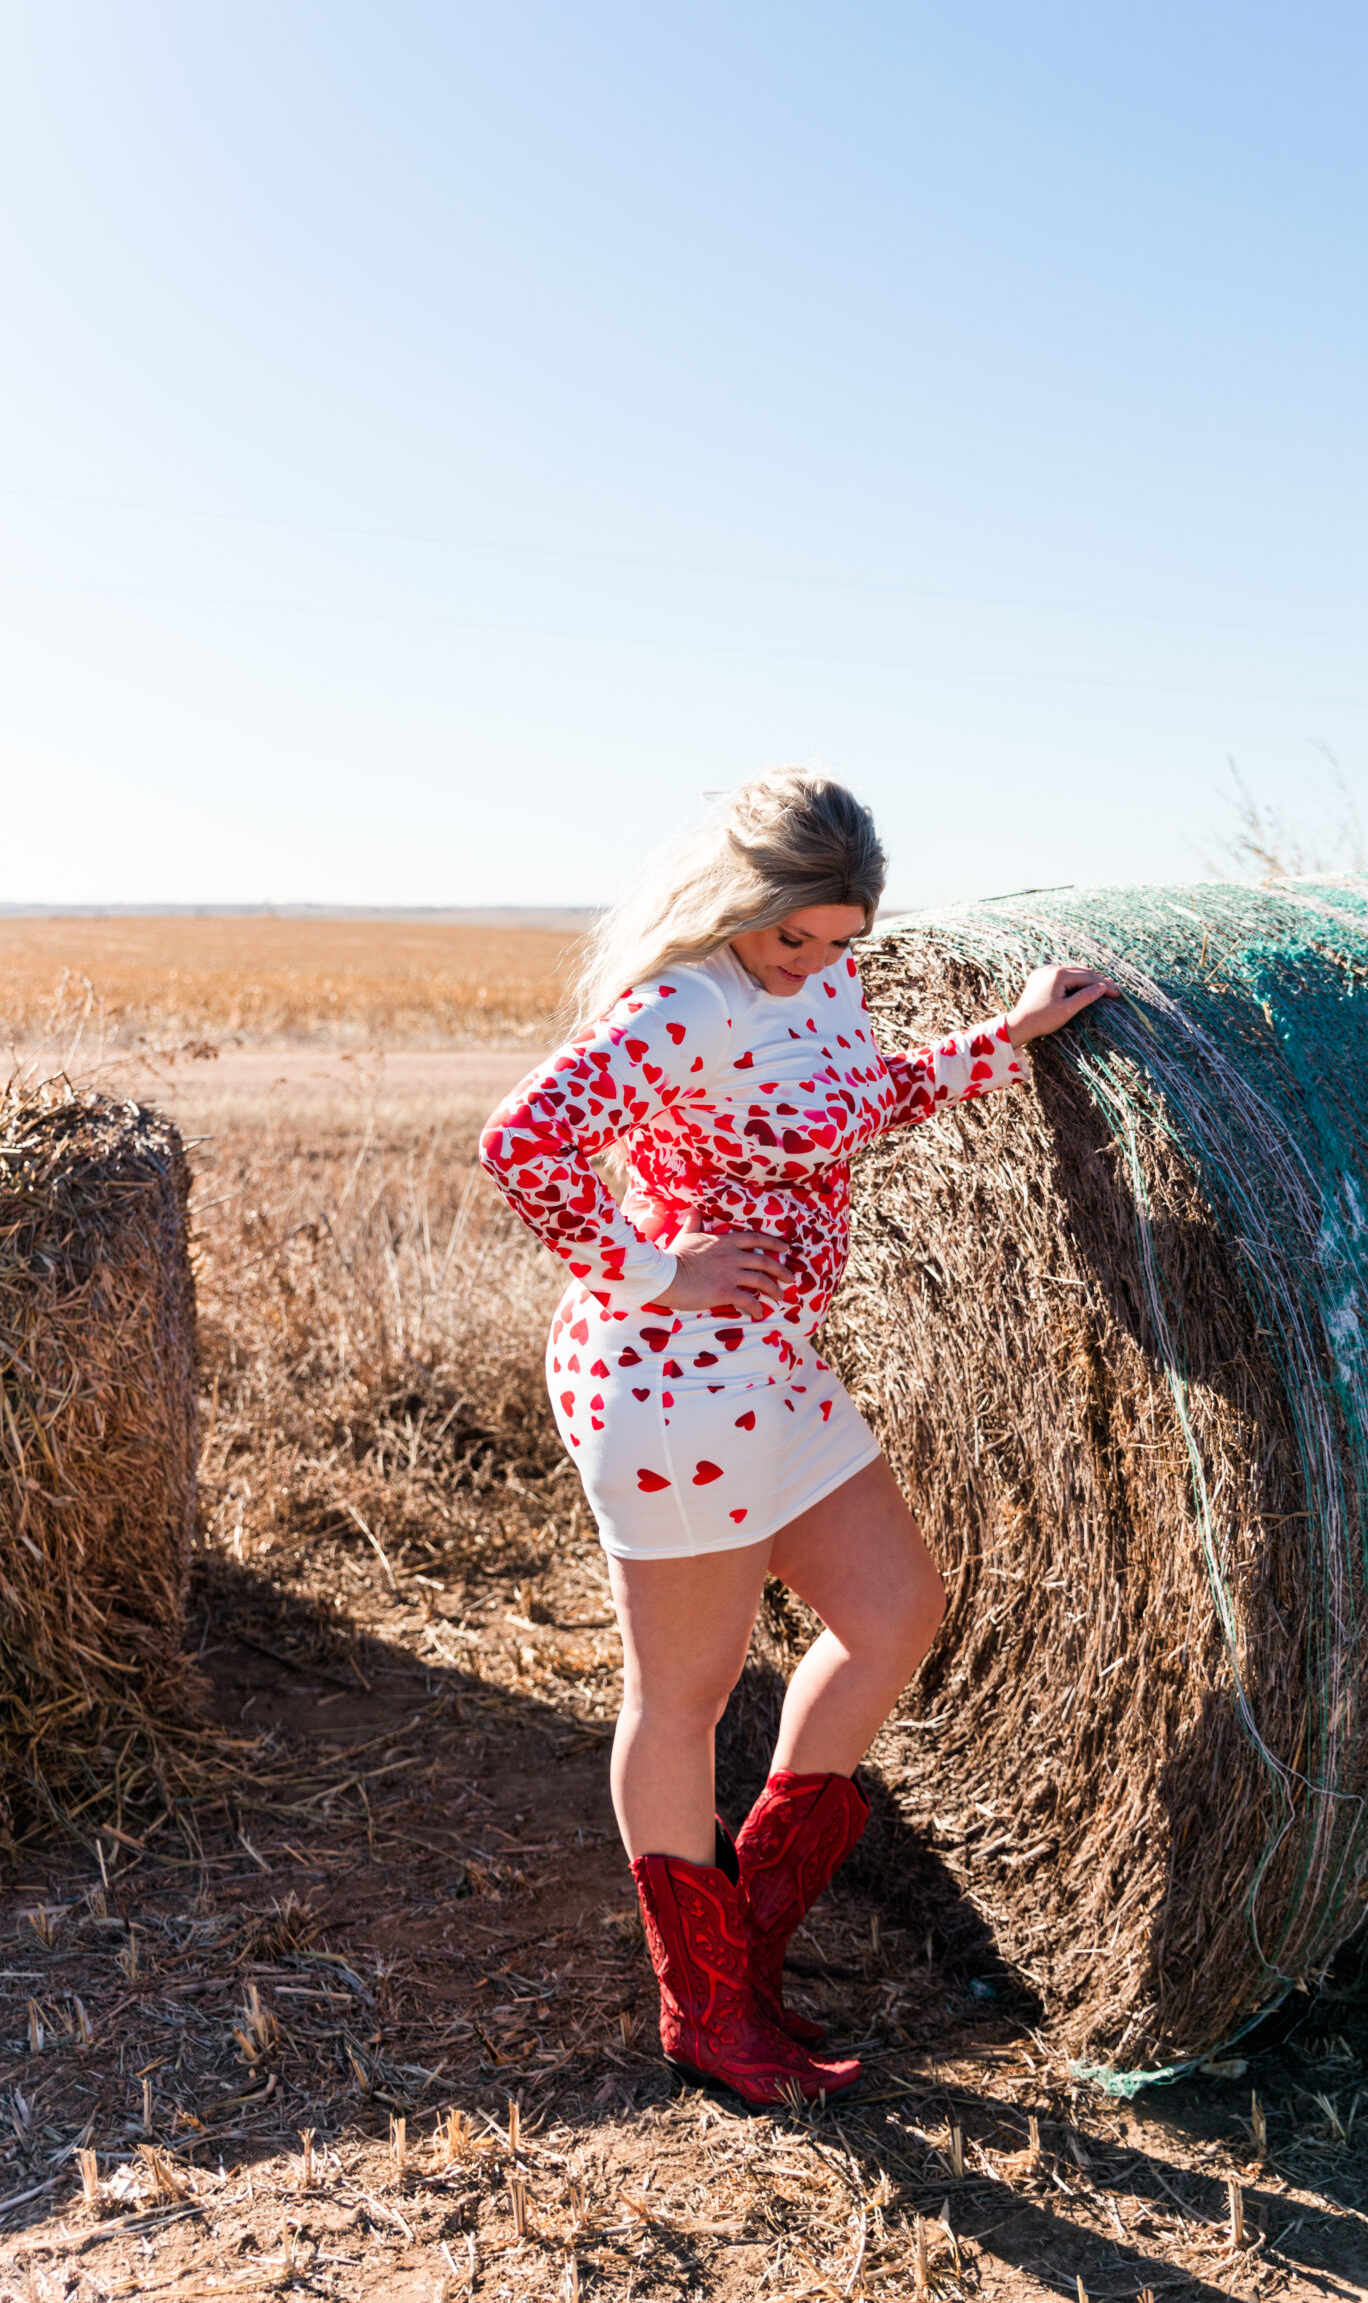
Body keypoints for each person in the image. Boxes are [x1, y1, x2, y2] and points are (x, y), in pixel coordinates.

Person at [480, 768, 1111, 2106]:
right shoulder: (689, 1002)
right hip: (672, 1388)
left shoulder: (822, 985)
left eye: (840, 939)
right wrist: (659, 1271)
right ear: (739, 901)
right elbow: (524, 1143)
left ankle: (752, 1931)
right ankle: (709, 2011)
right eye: (794, 933)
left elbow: (861, 1102)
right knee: (684, 1699)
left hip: (774, 1368)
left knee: (894, 1611)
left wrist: (1007, 1037)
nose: (815, 960)